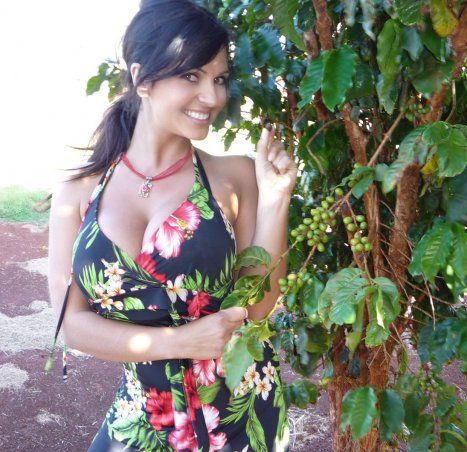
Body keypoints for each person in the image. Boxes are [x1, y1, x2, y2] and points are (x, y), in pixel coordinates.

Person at [45, 0, 297, 450]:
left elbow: (257, 307)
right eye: (192, 76)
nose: (213, 97)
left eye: (219, 79)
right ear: (142, 79)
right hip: (143, 416)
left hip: (240, 418)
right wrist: (179, 341)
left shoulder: (233, 177)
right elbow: (74, 325)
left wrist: (276, 200)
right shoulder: (79, 194)